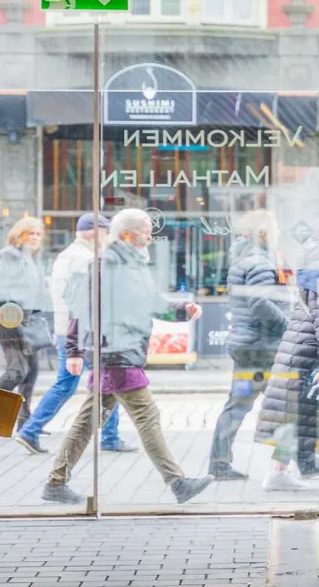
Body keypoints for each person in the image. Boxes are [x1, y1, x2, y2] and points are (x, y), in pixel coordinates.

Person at [43, 209, 212, 505]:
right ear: (126, 234)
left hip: (119, 352)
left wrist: (183, 309)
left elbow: (151, 302)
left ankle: (56, 483)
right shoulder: (108, 264)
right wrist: (73, 349)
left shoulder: (129, 264)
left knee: (86, 421)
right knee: (147, 417)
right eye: (145, 231)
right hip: (116, 354)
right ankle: (178, 482)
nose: (150, 236)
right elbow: (82, 308)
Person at [14, 214, 130, 455]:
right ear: (94, 231)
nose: (107, 236)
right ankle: (31, 430)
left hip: (70, 331)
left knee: (88, 382)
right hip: (79, 333)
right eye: (105, 231)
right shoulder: (83, 258)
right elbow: (83, 301)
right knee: (102, 379)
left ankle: (33, 430)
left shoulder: (71, 254)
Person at [254, 240, 319, 490]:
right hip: (306, 356)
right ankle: (279, 473)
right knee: (296, 414)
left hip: (300, 353)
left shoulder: (314, 276)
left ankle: (295, 467)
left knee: (300, 413)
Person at [208, 210, 290, 480]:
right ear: (264, 232)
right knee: (287, 404)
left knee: (242, 404)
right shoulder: (259, 262)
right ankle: (288, 466)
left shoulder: (245, 259)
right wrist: (287, 325)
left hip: (250, 345)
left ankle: (221, 463)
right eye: (275, 227)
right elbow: (259, 303)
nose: (278, 232)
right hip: (261, 347)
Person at [0, 217, 53, 430]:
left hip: (29, 320)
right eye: (30, 233)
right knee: (17, 371)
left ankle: (23, 423)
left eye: (38, 234)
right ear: (19, 235)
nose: (35, 238)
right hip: (11, 320)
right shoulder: (9, 256)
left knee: (31, 371)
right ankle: (5, 419)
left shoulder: (31, 259)